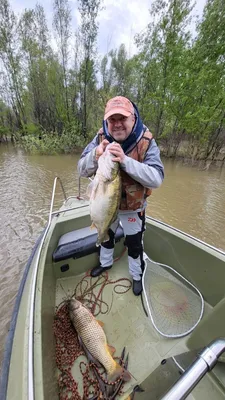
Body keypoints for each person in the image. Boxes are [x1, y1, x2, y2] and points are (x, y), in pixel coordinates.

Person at [78, 96, 164, 296]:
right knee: (105, 236)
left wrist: (125, 161)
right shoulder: (100, 137)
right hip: (107, 206)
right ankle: (105, 264)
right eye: (112, 120)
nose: (116, 125)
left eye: (122, 119)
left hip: (133, 208)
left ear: (133, 118)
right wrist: (96, 155)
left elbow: (157, 178)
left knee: (134, 244)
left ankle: (136, 275)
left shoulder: (146, 141)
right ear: (106, 122)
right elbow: (81, 169)